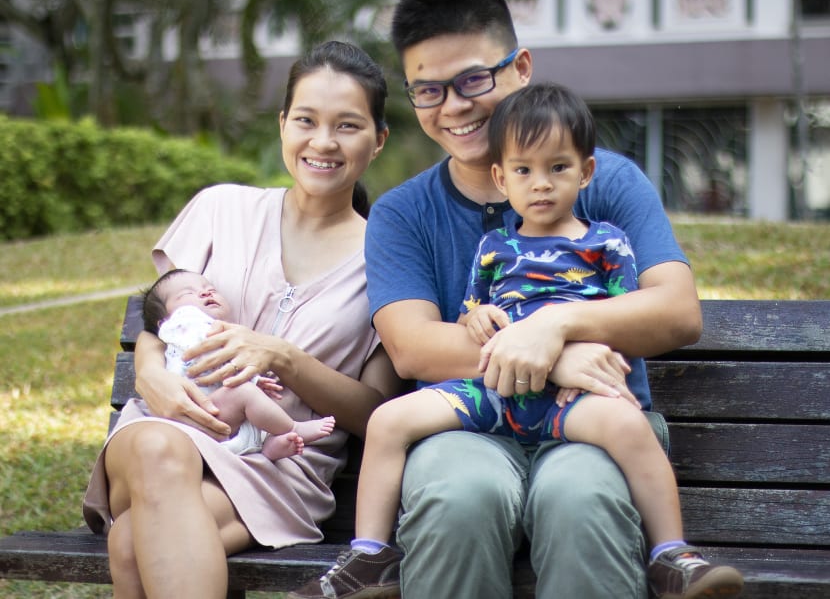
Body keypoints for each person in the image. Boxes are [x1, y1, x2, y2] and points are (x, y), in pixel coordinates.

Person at [289, 83, 743, 599]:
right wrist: (480, 320)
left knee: (626, 425)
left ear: (586, 172)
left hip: (576, 401)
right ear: (503, 179)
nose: (542, 184)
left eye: (558, 169)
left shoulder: (606, 242)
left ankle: (672, 555)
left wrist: (561, 331)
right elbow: (469, 313)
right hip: (496, 393)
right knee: (389, 419)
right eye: (525, 171)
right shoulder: (493, 246)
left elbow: (633, 313)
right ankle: (370, 555)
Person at [363, 0, 711, 598]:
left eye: (473, 80)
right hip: (466, 426)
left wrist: (556, 328)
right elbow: (413, 347)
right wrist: (561, 360)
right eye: (428, 90)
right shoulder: (402, 213)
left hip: (598, 420)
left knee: (581, 499)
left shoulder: (602, 180)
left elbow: (677, 309)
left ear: (520, 67)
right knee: (457, 497)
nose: (454, 106)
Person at [81, 40, 401, 599]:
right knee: (160, 451)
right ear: (282, 125)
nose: (322, 142)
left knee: (134, 539)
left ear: (378, 140)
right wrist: (151, 373)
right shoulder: (220, 209)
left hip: (278, 469)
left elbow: (373, 411)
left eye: (347, 126)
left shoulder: (391, 257)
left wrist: (284, 359)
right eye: (306, 120)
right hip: (166, 428)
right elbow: (162, 321)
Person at [142, 268, 337, 460]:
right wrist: (250, 380)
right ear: (164, 322)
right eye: (187, 293)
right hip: (195, 412)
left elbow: (221, 368)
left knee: (251, 401)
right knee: (245, 393)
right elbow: (208, 358)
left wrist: (253, 380)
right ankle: (293, 427)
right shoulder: (184, 325)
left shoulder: (216, 331)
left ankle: (267, 447)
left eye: (210, 287)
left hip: (208, 416)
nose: (205, 292)